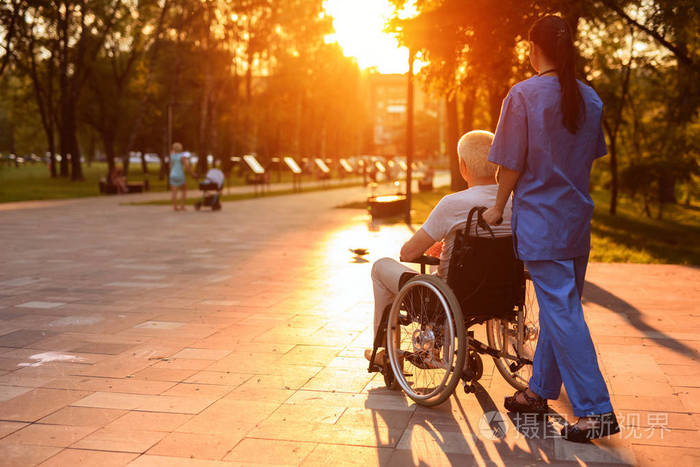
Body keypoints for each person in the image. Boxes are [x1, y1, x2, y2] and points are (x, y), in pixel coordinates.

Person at [482, 15, 619, 443]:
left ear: (533, 47)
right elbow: (587, 157)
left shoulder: (522, 95)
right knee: (563, 310)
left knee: (562, 313)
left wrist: (497, 208)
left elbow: (510, 163)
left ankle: (595, 410)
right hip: (576, 221)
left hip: (543, 222)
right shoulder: (590, 98)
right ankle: (539, 392)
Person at [366, 130, 513, 364]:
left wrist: (436, 243)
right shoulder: (514, 202)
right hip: (503, 294)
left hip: (448, 297)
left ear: (463, 166)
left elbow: (408, 253)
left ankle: (384, 353)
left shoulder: (453, 204)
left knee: (380, 267)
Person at [169, 142, 193, 211]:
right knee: (184, 190)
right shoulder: (182, 156)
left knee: (174, 191)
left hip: (172, 174)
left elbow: (170, 165)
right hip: (179, 174)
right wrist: (191, 173)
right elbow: (186, 166)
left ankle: (175, 207)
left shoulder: (172, 156)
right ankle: (182, 206)